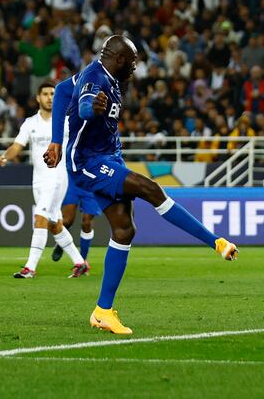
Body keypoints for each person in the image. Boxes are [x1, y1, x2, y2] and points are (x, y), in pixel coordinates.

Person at [43, 35, 238, 335]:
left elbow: (60, 91)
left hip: (109, 156)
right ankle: (215, 241)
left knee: (124, 229)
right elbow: (83, 104)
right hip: (87, 162)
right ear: (119, 59)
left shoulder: (102, 75)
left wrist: (56, 139)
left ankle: (102, 311)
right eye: (133, 62)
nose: (136, 68)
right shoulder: (96, 78)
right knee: (151, 189)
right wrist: (88, 108)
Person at [0, 81, 89, 279]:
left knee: (40, 216)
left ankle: (30, 267)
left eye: (53, 94)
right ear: (38, 98)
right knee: (54, 224)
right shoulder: (30, 123)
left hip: (57, 178)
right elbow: (17, 145)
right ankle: (80, 263)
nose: (49, 97)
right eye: (45, 94)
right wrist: (6, 155)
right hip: (38, 180)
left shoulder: (65, 122)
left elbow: (81, 142)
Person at [45, 70, 102, 266]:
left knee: (87, 222)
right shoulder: (69, 119)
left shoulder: (98, 119)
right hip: (73, 178)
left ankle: (82, 261)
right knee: (67, 220)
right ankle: (63, 244)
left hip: (92, 179)